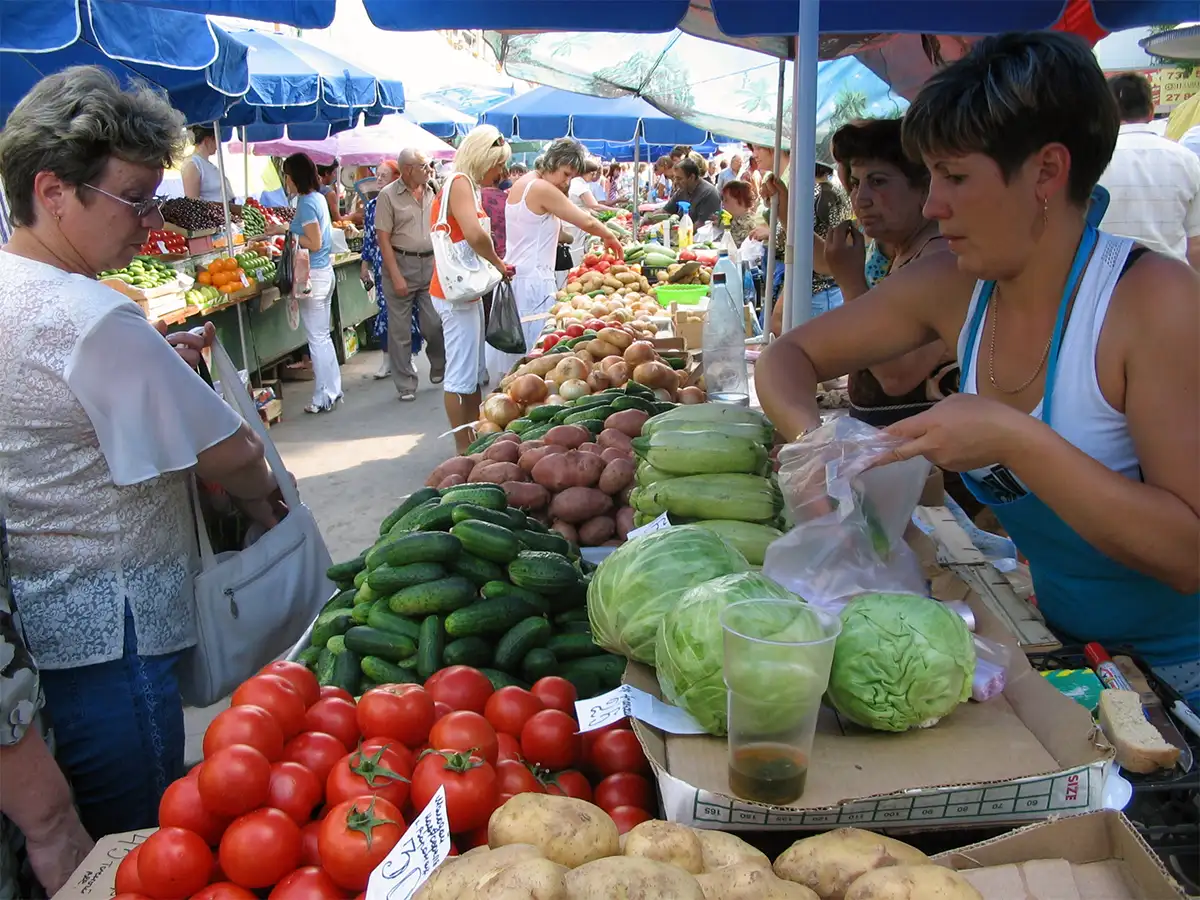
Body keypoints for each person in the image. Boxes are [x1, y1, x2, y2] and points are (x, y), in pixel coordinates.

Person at [756, 32, 1200, 705]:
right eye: (930, 176)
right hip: (1066, 655)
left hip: (1181, 681)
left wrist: (1012, 438)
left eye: (956, 177)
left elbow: (1186, 553)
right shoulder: (959, 284)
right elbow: (789, 357)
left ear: (1047, 173)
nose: (933, 205)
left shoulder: (1153, 302)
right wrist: (817, 448)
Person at [0, 66, 284, 841]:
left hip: (44, 628)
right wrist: (263, 494)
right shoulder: (88, 314)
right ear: (53, 190)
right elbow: (230, 451)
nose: (150, 220)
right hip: (115, 632)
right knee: (139, 843)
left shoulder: (14, 287)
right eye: (135, 197)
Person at [819, 119, 954, 425]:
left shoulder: (940, 260)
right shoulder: (906, 253)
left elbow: (897, 376)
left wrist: (851, 282)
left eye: (878, 181)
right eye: (855, 183)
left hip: (929, 466)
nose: (860, 198)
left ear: (923, 187)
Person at [503, 138, 625, 371]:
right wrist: (609, 235)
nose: (566, 181)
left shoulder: (526, 181)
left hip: (520, 276)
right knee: (533, 358)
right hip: (534, 282)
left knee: (522, 356)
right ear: (553, 162)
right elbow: (585, 219)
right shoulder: (541, 188)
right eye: (566, 173)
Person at [430, 126, 513, 454]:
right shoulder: (461, 183)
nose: (501, 172)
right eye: (499, 163)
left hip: (462, 293)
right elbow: (476, 235)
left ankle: (473, 439)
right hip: (455, 295)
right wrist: (498, 264)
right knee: (461, 374)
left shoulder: (463, 184)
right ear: (484, 158)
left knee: (470, 371)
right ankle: (463, 449)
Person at [1098, 73, 1200, 268]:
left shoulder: (1091, 160)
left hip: (1107, 286)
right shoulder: (1187, 160)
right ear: (1151, 111)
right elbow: (1196, 245)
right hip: (1170, 284)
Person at [271, 154, 341, 413]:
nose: (285, 181)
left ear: (294, 176)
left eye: (287, 175)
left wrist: (287, 232)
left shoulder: (307, 203)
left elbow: (314, 242)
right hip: (324, 273)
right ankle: (332, 390)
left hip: (315, 276)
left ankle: (324, 395)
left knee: (317, 339)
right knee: (323, 337)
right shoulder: (319, 198)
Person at [376, 148, 446, 402]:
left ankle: (439, 362)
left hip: (430, 264)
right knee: (400, 330)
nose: (429, 170)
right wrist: (395, 275)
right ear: (408, 170)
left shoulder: (433, 189)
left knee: (434, 323)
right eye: (424, 166)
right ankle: (405, 384)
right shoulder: (388, 196)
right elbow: (382, 238)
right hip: (401, 261)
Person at [361, 160, 416, 382]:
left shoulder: (407, 203)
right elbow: (368, 237)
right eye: (378, 174)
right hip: (381, 264)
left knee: (408, 312)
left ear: (396, 178)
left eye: (385, 175)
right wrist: (364, 264)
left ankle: (407, 357)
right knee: (385, 312)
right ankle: (387, 358)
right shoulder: (371, 206)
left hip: (406, 264)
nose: (379, 178)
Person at [810, 162, 853, 318]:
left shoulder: (817, 194)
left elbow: (782, 241)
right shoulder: (839, 191)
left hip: (818, 286)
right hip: (836, 284)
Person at [567, 159, 618, 260]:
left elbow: (585, 206)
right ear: (590, 173)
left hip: (572, 222)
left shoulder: (575, 183)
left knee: (573, 249)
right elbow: (595, 205)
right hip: (577, 224)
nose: (594, 176)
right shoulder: (580, 186)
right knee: (576, 251)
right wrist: (616, 210)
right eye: (593, 174)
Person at [181, 125, 233, 204]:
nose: (218, 145)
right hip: (214, 214)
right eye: (216, 140)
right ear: (207, 140)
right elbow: (193, 202)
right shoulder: (192, 165)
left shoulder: (205, 163)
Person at [664, 157, 722, 224]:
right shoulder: (682, 191)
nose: (676, 182)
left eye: (679, 179)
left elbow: (701, 226)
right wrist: (650, 218)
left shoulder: (709, 193)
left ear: (692, 177)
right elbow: (665, 211)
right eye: (675, 178)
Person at [720, 180, 759, 246]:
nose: (723, 203)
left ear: (740, 200)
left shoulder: (748, 225)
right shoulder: (733, 219)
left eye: (726, 200)